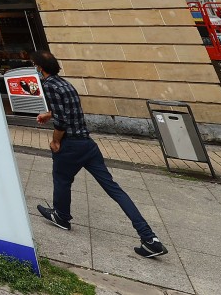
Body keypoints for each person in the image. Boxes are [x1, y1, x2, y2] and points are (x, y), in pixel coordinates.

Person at [31, 50, 168, 259]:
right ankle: (149, 237)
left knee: (61, 180)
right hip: (88, 144)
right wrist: (48, 114)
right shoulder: (65, 84)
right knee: (114, 189)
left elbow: (62, 122)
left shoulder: (49, 86)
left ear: (40, 68)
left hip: (70, 146)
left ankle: (61, 216)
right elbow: (71, 110)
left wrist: (55, 141)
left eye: (35, 65)